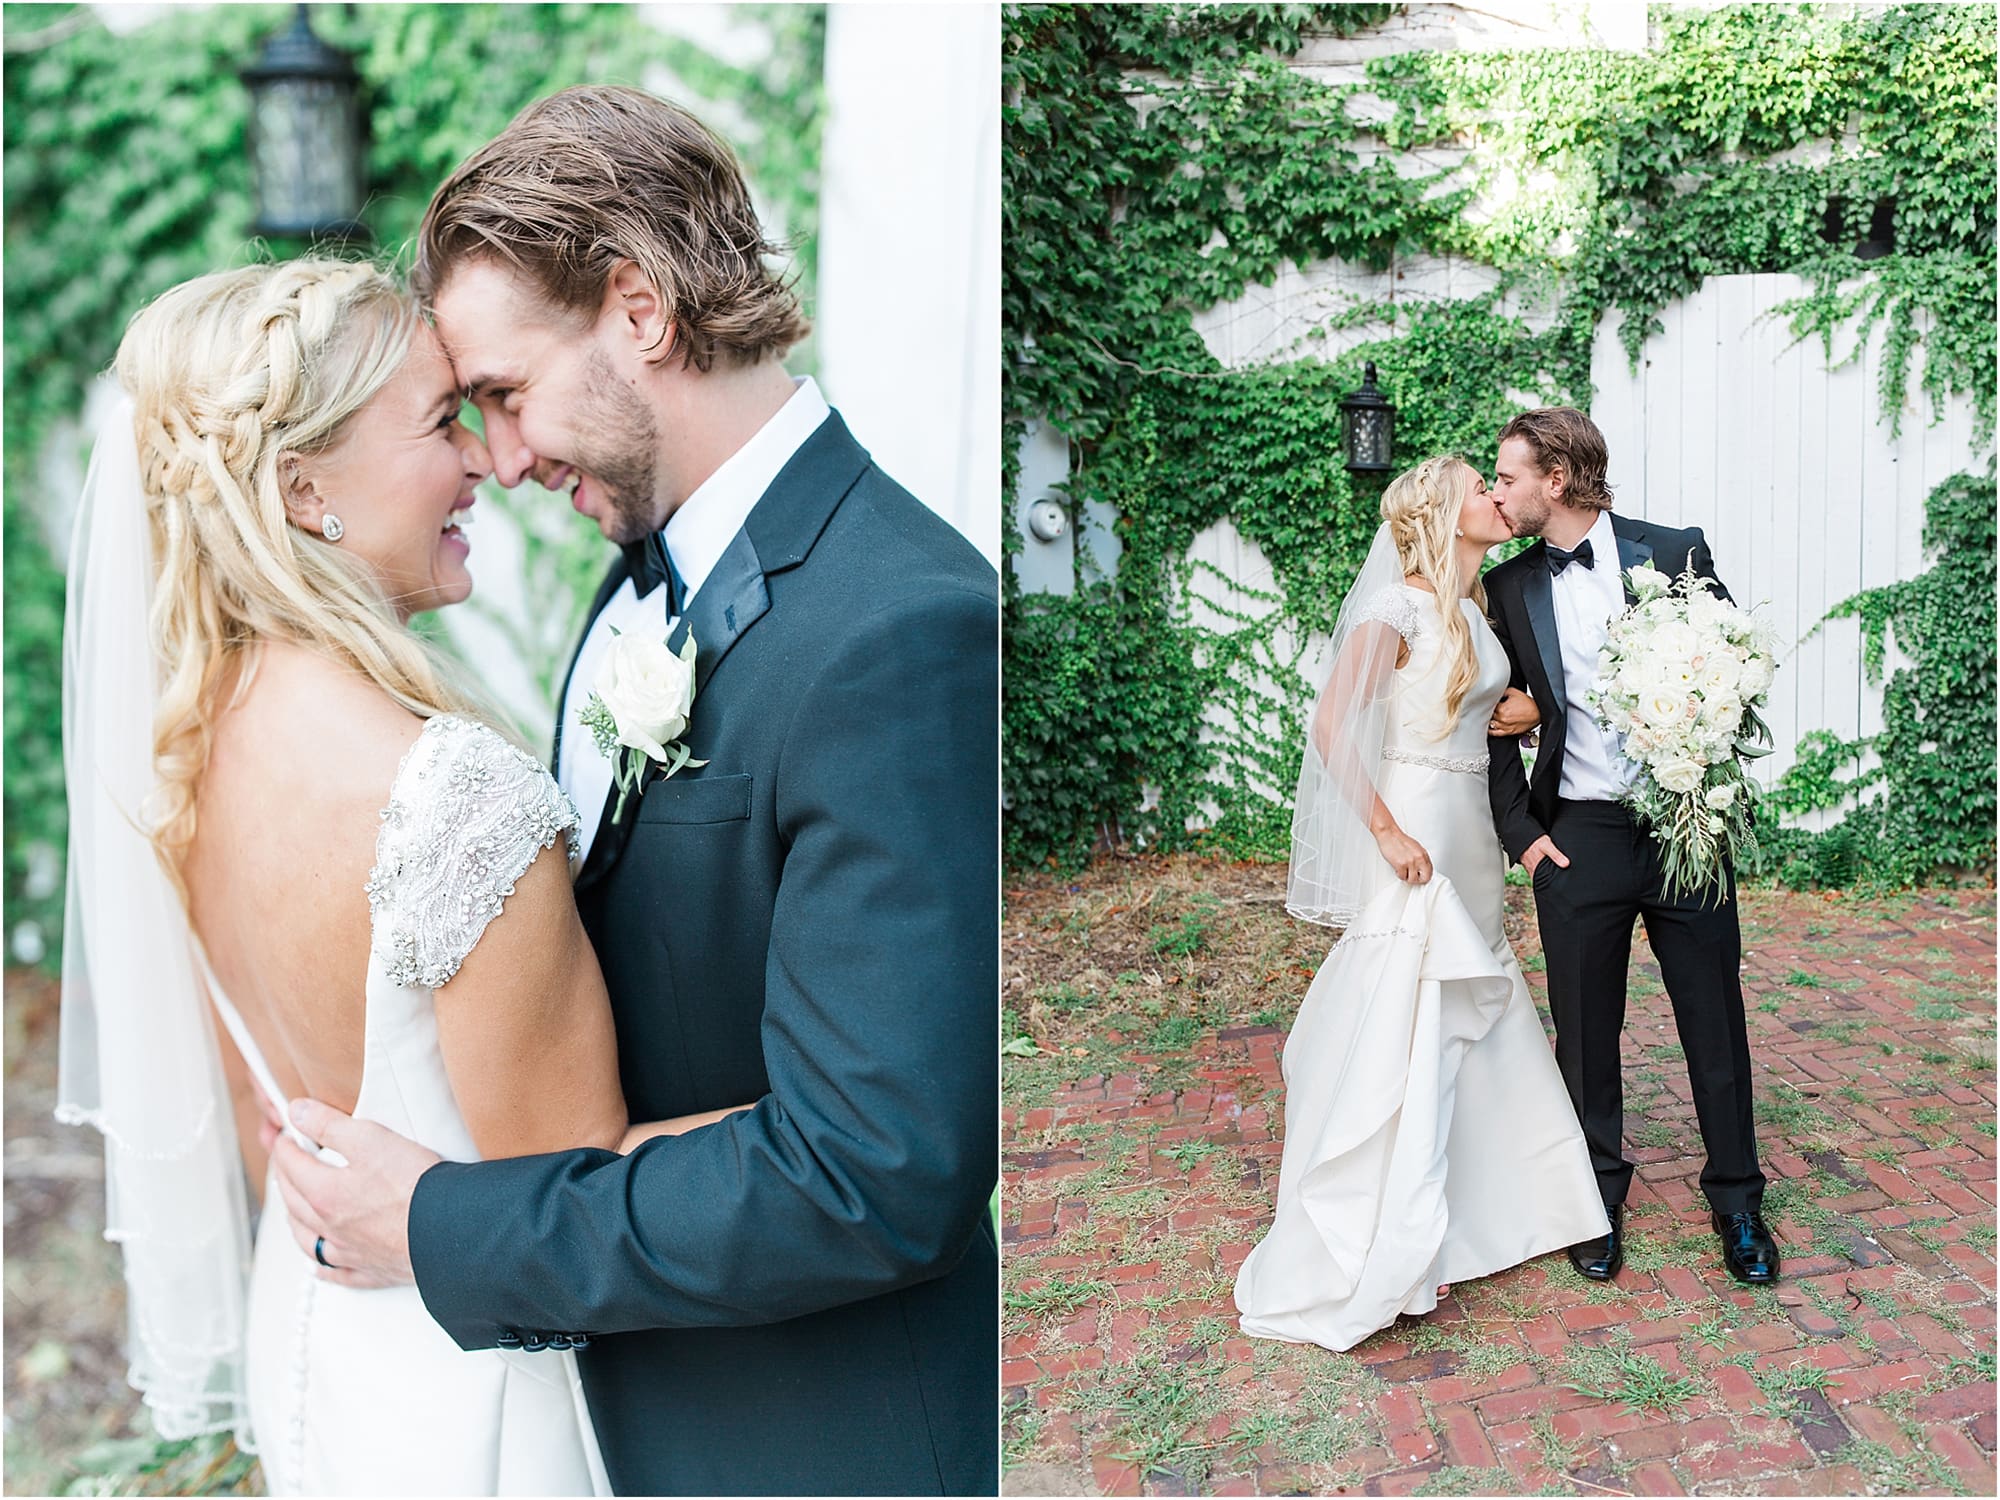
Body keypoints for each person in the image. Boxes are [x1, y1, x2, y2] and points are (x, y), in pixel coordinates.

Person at [265, 86, 999, 1497]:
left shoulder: (902, 628)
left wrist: (443, 1226)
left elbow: (876, 1173)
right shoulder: (636, 582)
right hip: (629, 1414)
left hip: (816, 1439)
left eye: (505, 392)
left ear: (640, 310)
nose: (501, 457)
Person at [59, 256, 690, 1493]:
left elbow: (268, 1131)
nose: (482, 462)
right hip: (480, 1401)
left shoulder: (182, 751)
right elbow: (567, 1205)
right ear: (302, 489)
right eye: (436, 421)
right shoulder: (452, 799)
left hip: (324, 1348)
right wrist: (829, 1130)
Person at [1233, 455, 1610, 1353]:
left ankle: (1482, 1208)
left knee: (1463, 1008)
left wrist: (1517, 712)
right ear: (1444, 514)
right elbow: (1334, 724)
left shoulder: (1475, 611)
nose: (1495, 495)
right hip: (1417, 829)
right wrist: (1387, 831)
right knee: (1409, 1013)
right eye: (1482, 486)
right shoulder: (1395, 607)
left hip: (1472, 832)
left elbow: (1483, 708)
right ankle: (1392, 1223)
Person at [1482, 406, 1777, 1286]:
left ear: (1557, 479)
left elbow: (1733, 668)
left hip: (1680, 822)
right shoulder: (1507, 588)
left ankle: (1738, 1204)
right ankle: (1594, 1198)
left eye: (1508, 476)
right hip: (1577, 837)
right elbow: (1484, 725)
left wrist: (1706, 794)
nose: (1500, 492)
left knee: (1713, 1022)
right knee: (1585, 1031)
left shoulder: (1675, 549)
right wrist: (1524, 837)